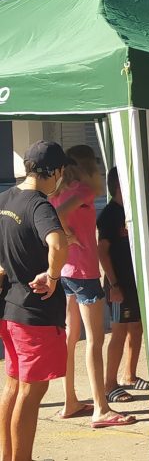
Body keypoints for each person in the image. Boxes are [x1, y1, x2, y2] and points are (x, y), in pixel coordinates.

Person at [50, 144, 134, 427]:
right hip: (84, 274)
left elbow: (55, 213)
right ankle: (101, 407)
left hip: (66, 272)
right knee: (94, 340)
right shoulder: (84, 191)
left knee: (71, 339)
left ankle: (69, 400)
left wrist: (66, 234)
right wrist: (69, 233)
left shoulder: (59, 190)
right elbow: (58, 215)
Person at [0, 141, 69, 461]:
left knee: (13, 387)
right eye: (61, 173)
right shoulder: (39, 205)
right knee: (31, 392)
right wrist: (52, 276)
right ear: (54, 172)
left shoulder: (5, 199)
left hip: (10, 310)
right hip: (35, 314)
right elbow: (57, 243)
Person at [99, 167, 149, 402]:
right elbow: (103, 252)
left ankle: (129, 375)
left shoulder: (130, 212)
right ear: (120, 185)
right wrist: (114, 284)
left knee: (136, 328)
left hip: (134, 281)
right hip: (119, 284)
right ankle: (109, 385)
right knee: (118, 333)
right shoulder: (110, 214)